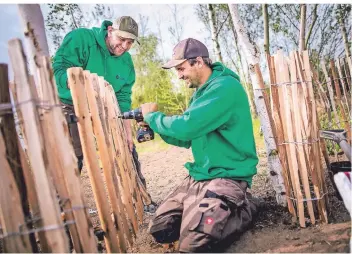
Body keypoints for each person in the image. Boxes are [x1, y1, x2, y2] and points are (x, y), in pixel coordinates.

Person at [140, 38, 259, 252]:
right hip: (200, 177)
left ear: (198, 62)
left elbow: (188, 127)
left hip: (227, 177)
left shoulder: (225, 88)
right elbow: (186, 137)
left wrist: (153, 118)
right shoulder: (199, 94)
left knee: (194, 244)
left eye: (181, 68)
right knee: (161, 229)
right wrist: (157, 127)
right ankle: (204, 211)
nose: (179, 75)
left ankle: (246, 207)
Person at [52, 16, 145, 183]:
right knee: (74, 153)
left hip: (104, 105)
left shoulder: (126, 62)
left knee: (125, 147)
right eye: (121, 39)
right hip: (71, 104)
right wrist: (74, 82)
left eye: (130, 42)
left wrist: (127, 133)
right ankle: (62, 204)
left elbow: (123, 98)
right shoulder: (81, 39)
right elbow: (58, 69)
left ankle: (141, 196)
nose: (124, 46)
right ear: (110, 31)